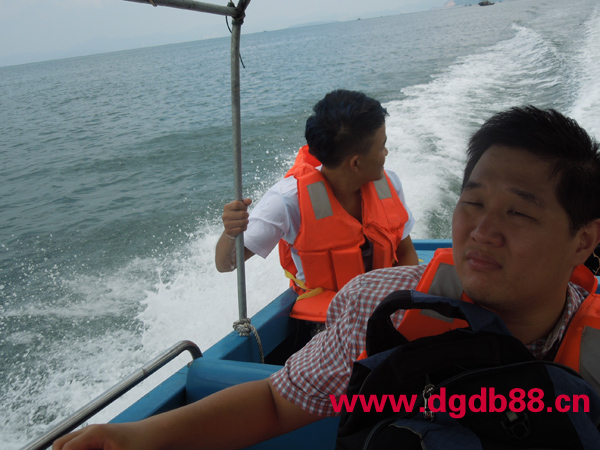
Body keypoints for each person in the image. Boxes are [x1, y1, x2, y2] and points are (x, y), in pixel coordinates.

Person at [53, 105, 600, 450]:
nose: (481, 231)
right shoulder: (376, 306)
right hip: (322, 315)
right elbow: (275, 401)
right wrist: (129, 439)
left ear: (584, 239)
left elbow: (400, 241)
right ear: (356, 160)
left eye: (518, 213)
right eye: (472, 202)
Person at [215, 89, 419, 323]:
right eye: (382, 146)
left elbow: (405, 252)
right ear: (355, 163)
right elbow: (226, 264)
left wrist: (402, 308)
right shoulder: (287, 201)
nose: (386, 152)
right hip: (325, 322)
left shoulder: (389, 183)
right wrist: (230, 233)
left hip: (385, 309)